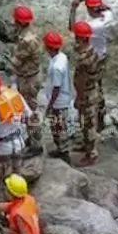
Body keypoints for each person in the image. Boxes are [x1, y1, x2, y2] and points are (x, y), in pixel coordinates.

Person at [70, 0, 115, 128]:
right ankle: (101, 114)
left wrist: (73, 8)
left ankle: (92, 119)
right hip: (102, 56)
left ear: (89, 9)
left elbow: (72, 28)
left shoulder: (91, 26)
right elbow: (108, 8)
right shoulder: (108, 16)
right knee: (98, 85)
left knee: (89, 87)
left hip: (90, 58)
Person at [0, 73, 29, 186]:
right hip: (19, 143)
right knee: (18, 176)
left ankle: (9, 200)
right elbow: (27, 116)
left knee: (6, 180)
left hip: (2, 149)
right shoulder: (15, 95)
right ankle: (21, 197)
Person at [10, 5, 44, 153]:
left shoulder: (25, 40)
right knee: (32, 109)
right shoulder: (32, 34)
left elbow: (16, 61)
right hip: (33, 75)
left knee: (30, 112)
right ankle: (33, 138)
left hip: (28, 79)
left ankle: (36, 144)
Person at [71, 22, 102, 167]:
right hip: (89, 91)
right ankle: (86, 145)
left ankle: (92, 154)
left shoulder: (84, 57)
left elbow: (82, 79)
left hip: (87, 94)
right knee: (84, 121)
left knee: (88, 124)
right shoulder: (91, 51)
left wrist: (78, 95)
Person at [43, 31, 73, 159]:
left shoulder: (56, 67)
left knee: (58, 127)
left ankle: (64, 153)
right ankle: (61, 149)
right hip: (62, 98)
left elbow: (56, 88)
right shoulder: (62, 57)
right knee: (59, 126)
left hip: (58, 102)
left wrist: (49, 106)